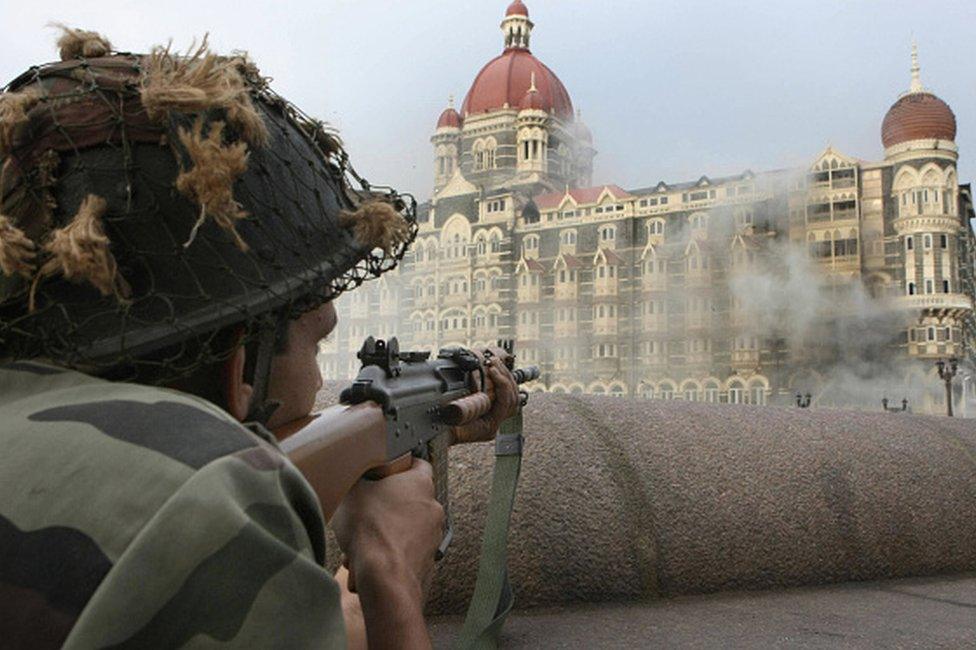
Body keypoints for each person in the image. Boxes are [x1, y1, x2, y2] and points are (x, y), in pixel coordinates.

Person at [0, 27, 518, 649]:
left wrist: (441, 424)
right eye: (317, 343)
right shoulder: (204, 510)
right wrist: (394, 578)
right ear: (241, 367)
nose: (324, 384)